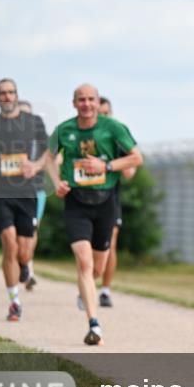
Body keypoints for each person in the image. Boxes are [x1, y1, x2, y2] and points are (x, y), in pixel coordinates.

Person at [44, 84, 143, 345]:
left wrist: (106, 165)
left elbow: (136, 158)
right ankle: (94, 325)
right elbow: (46, 157)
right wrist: (57, 183)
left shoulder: (113, 128)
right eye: (81, 100)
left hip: (106, 203)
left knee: (97, 267)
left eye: (91, 99)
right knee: (85, 263)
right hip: (76, 203)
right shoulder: (64, 130)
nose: (86, 104)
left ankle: (86, 289)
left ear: (97, 102)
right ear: (73, 103)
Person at [0, 79, 49, 322]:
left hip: (26, 193)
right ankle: (14, 301)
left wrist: (35, 166)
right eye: (2, 93)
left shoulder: (34, 122)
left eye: (10, 92)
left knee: (24, 252)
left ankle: (25, 266)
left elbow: (48, 152)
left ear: (17, 95)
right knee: (9, 243)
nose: (6, 97)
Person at [96, 96, 137, 307]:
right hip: (83, 201)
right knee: (86, 247)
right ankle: (85, 285)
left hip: (110, 199)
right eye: (99, 113)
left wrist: (108, 165)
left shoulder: (117, 137)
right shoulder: (83, 136)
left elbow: (130, 171)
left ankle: (105, 290)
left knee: (110, 245)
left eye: (106, 113)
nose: (103, 117)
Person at [17, 99, 45, 291]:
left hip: (37, 190)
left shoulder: (41, 137)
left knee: (32, 231)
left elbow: (55, 155)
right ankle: (21, 266)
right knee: (16, 235)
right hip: (12, 190)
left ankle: (28, 267)